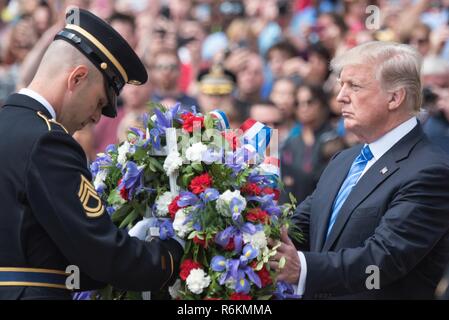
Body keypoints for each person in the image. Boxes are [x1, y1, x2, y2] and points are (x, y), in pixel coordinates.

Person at [0, 8, 183, 300]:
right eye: (99, 102)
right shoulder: (48, 141)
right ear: (77, 78)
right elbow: (100, 251)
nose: (97, 118)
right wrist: (172, 255)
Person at [271, 41, 449, 299]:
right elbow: (301, 227)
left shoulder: (430, 170)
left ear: (394, 98)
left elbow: (382, 260)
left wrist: (303, 269)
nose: (341, 96)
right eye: (341, 84)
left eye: (354, 86)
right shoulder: (344, 159)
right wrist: (249, 237)